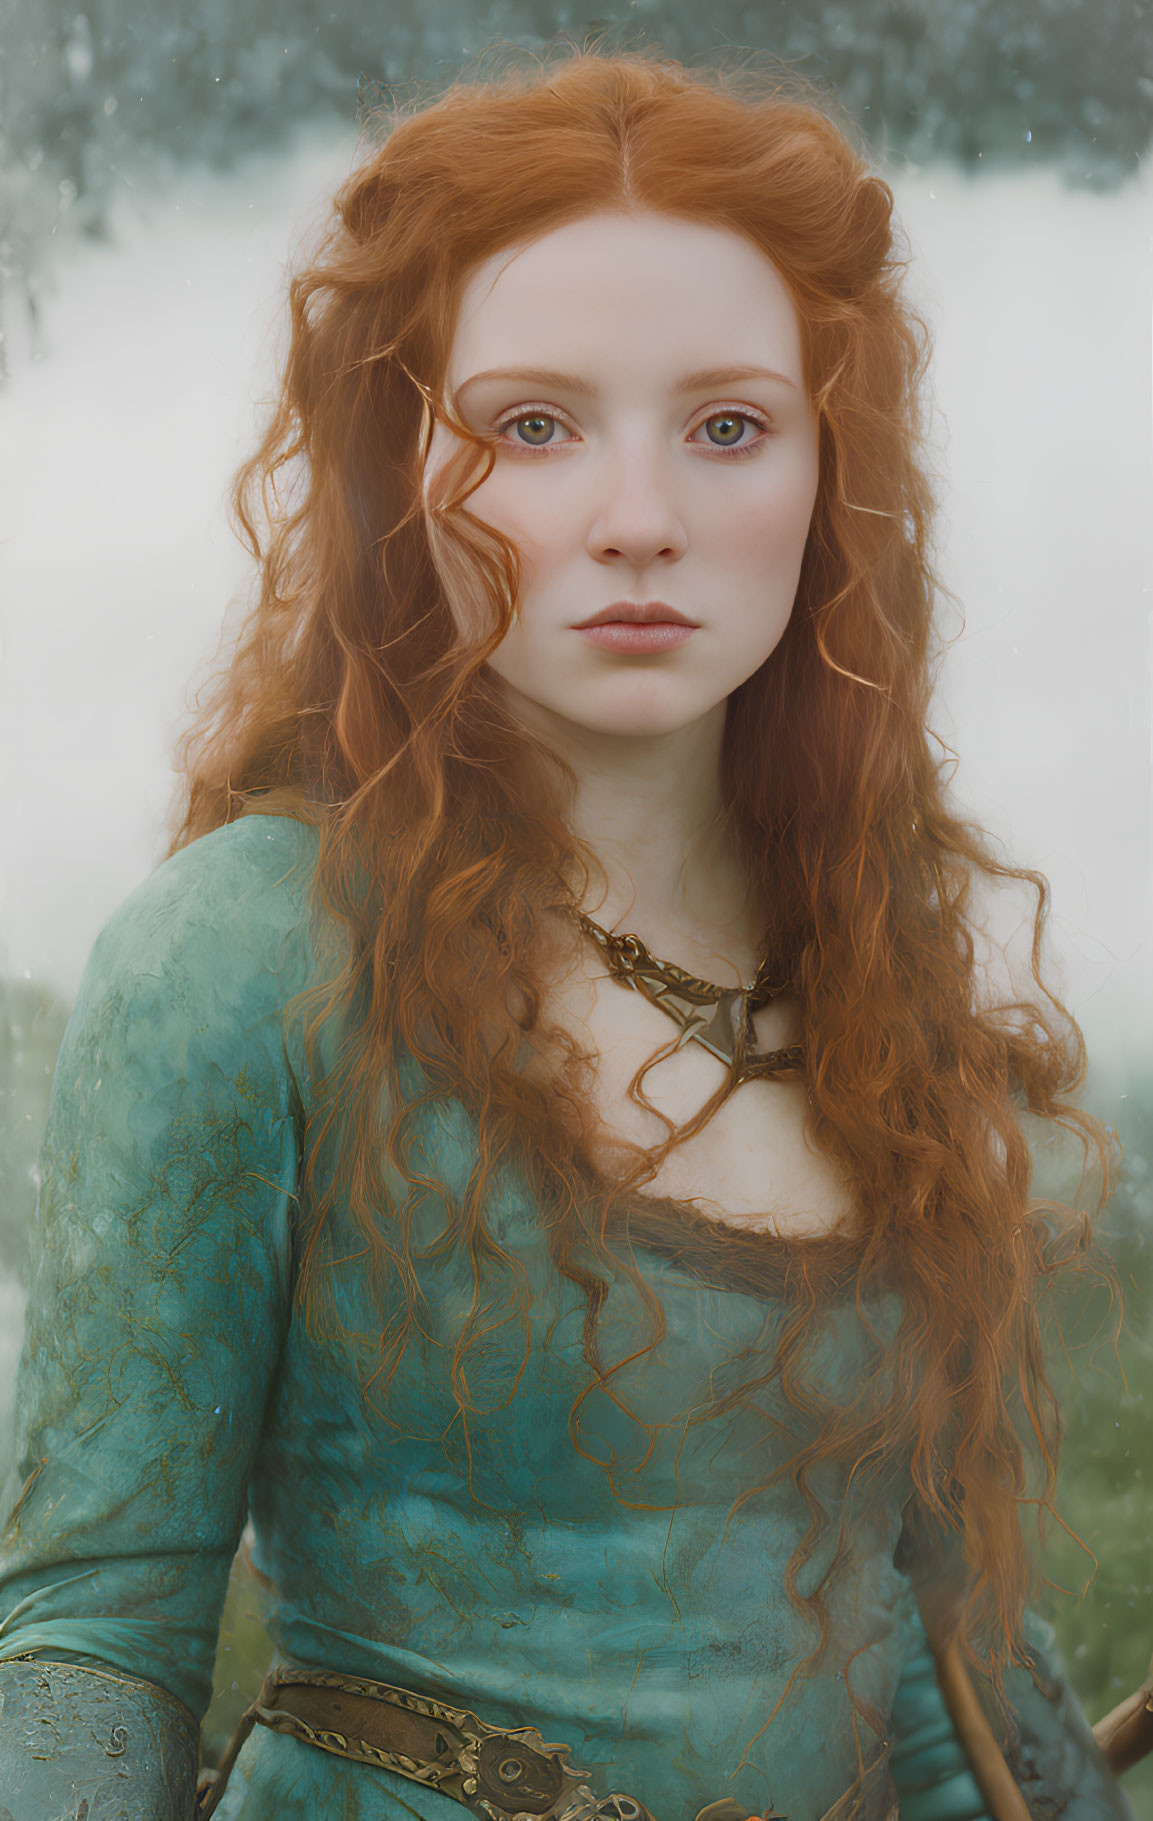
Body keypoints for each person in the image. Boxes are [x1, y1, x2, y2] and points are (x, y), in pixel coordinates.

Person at [0, 48, 1143, 1821]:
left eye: (727, 427)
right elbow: (91, 1635)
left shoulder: (877, 979)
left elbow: (949, 1673)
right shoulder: (243, 958)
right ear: (400, 466)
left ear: (828, 477)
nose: (638, 519)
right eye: (532, 425)